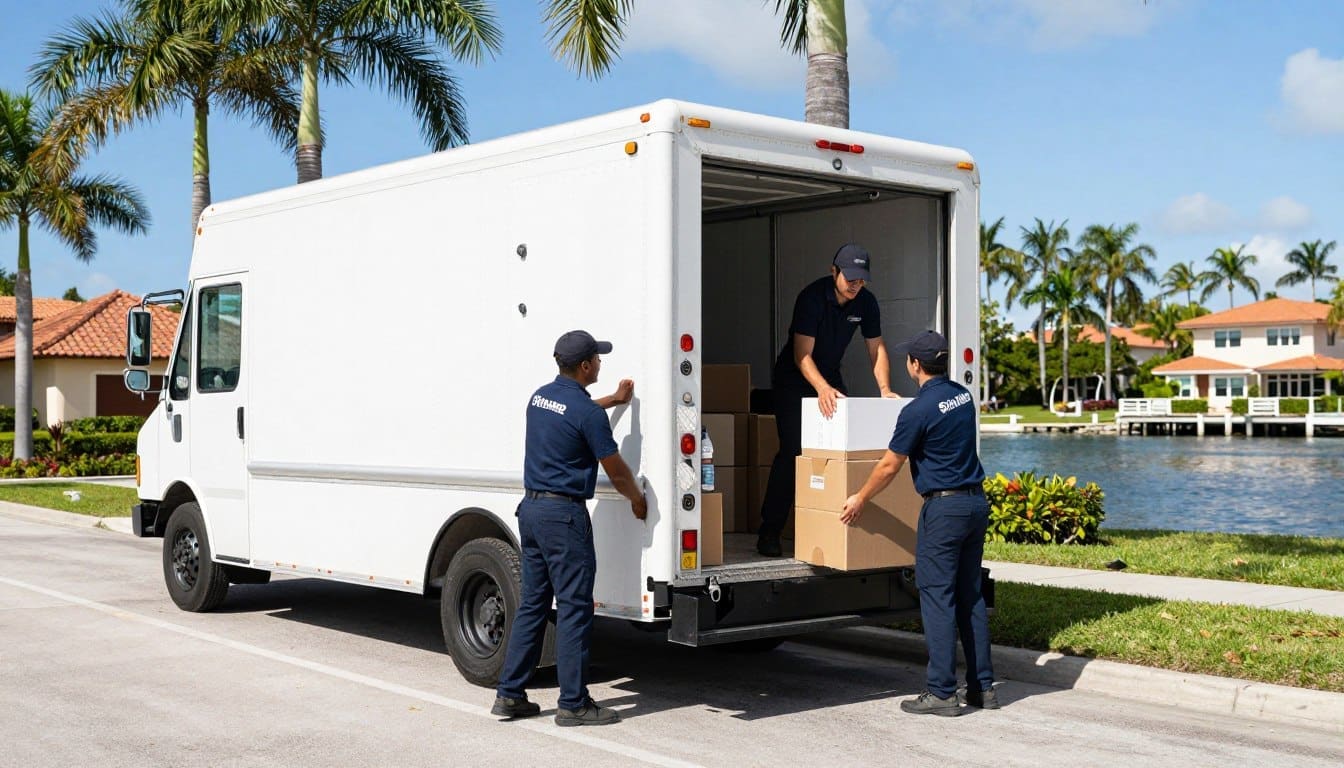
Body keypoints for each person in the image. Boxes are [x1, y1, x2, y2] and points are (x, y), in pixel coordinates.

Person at [492, 330, 648, 727]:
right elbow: (614, 469)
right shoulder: (586, 415)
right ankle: (574, 704)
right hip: (564, 518)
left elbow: (572, 416)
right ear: (584, 366)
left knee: (533, 605)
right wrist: (636, 498)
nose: (600, 362)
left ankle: (509, 695)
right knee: (575, 610)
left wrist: (611, 401)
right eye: (597, 358)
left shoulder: (540, 397)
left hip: (531, 512)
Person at [840, 330, 995, 717]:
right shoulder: (964, 396)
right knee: (970, 595)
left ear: (915, 365)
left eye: (909, 358)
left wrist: (859, 497)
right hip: (976, 504)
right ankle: (982, 688)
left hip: (945, 510)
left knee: (937, 597)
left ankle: (942, 692)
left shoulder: (917, 411)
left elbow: (891, 464)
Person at [756, 243, 897, 557]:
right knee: (794, 450)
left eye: (861, 279)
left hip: (829, 375)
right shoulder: (811, 298)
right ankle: (769, 531)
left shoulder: (867, 303)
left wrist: (885, 389)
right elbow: (801, 353)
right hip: (794, 377)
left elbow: (876, 348)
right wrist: (821, 388)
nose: (855, 284)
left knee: (838, 448)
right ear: (834, 272)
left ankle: (831, 530)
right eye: (850, 277)